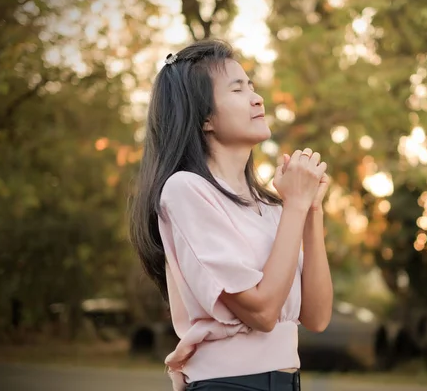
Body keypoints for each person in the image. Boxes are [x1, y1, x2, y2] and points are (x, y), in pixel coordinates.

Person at [129, 39, 333, 391]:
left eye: (252, 86)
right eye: (238, 89)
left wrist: (310, 208)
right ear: (205, 117)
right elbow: (262, 313)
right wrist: (296, 206)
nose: (257, 98)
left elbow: (316, 317)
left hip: (286, 381)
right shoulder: (185, 191)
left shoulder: (270, 206)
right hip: (230, 384)